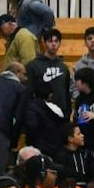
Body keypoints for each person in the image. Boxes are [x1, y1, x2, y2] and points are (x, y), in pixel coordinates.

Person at [27, 29, 72, 157]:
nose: (53, 44)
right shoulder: (33, 66)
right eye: (50, 41)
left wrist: (67, 113)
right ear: (44, 43)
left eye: (56, 41)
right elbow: (29, 92)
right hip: (42, 117)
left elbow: (66, 91)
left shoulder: (64, 67)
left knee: (59, 154)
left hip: (61, 116)